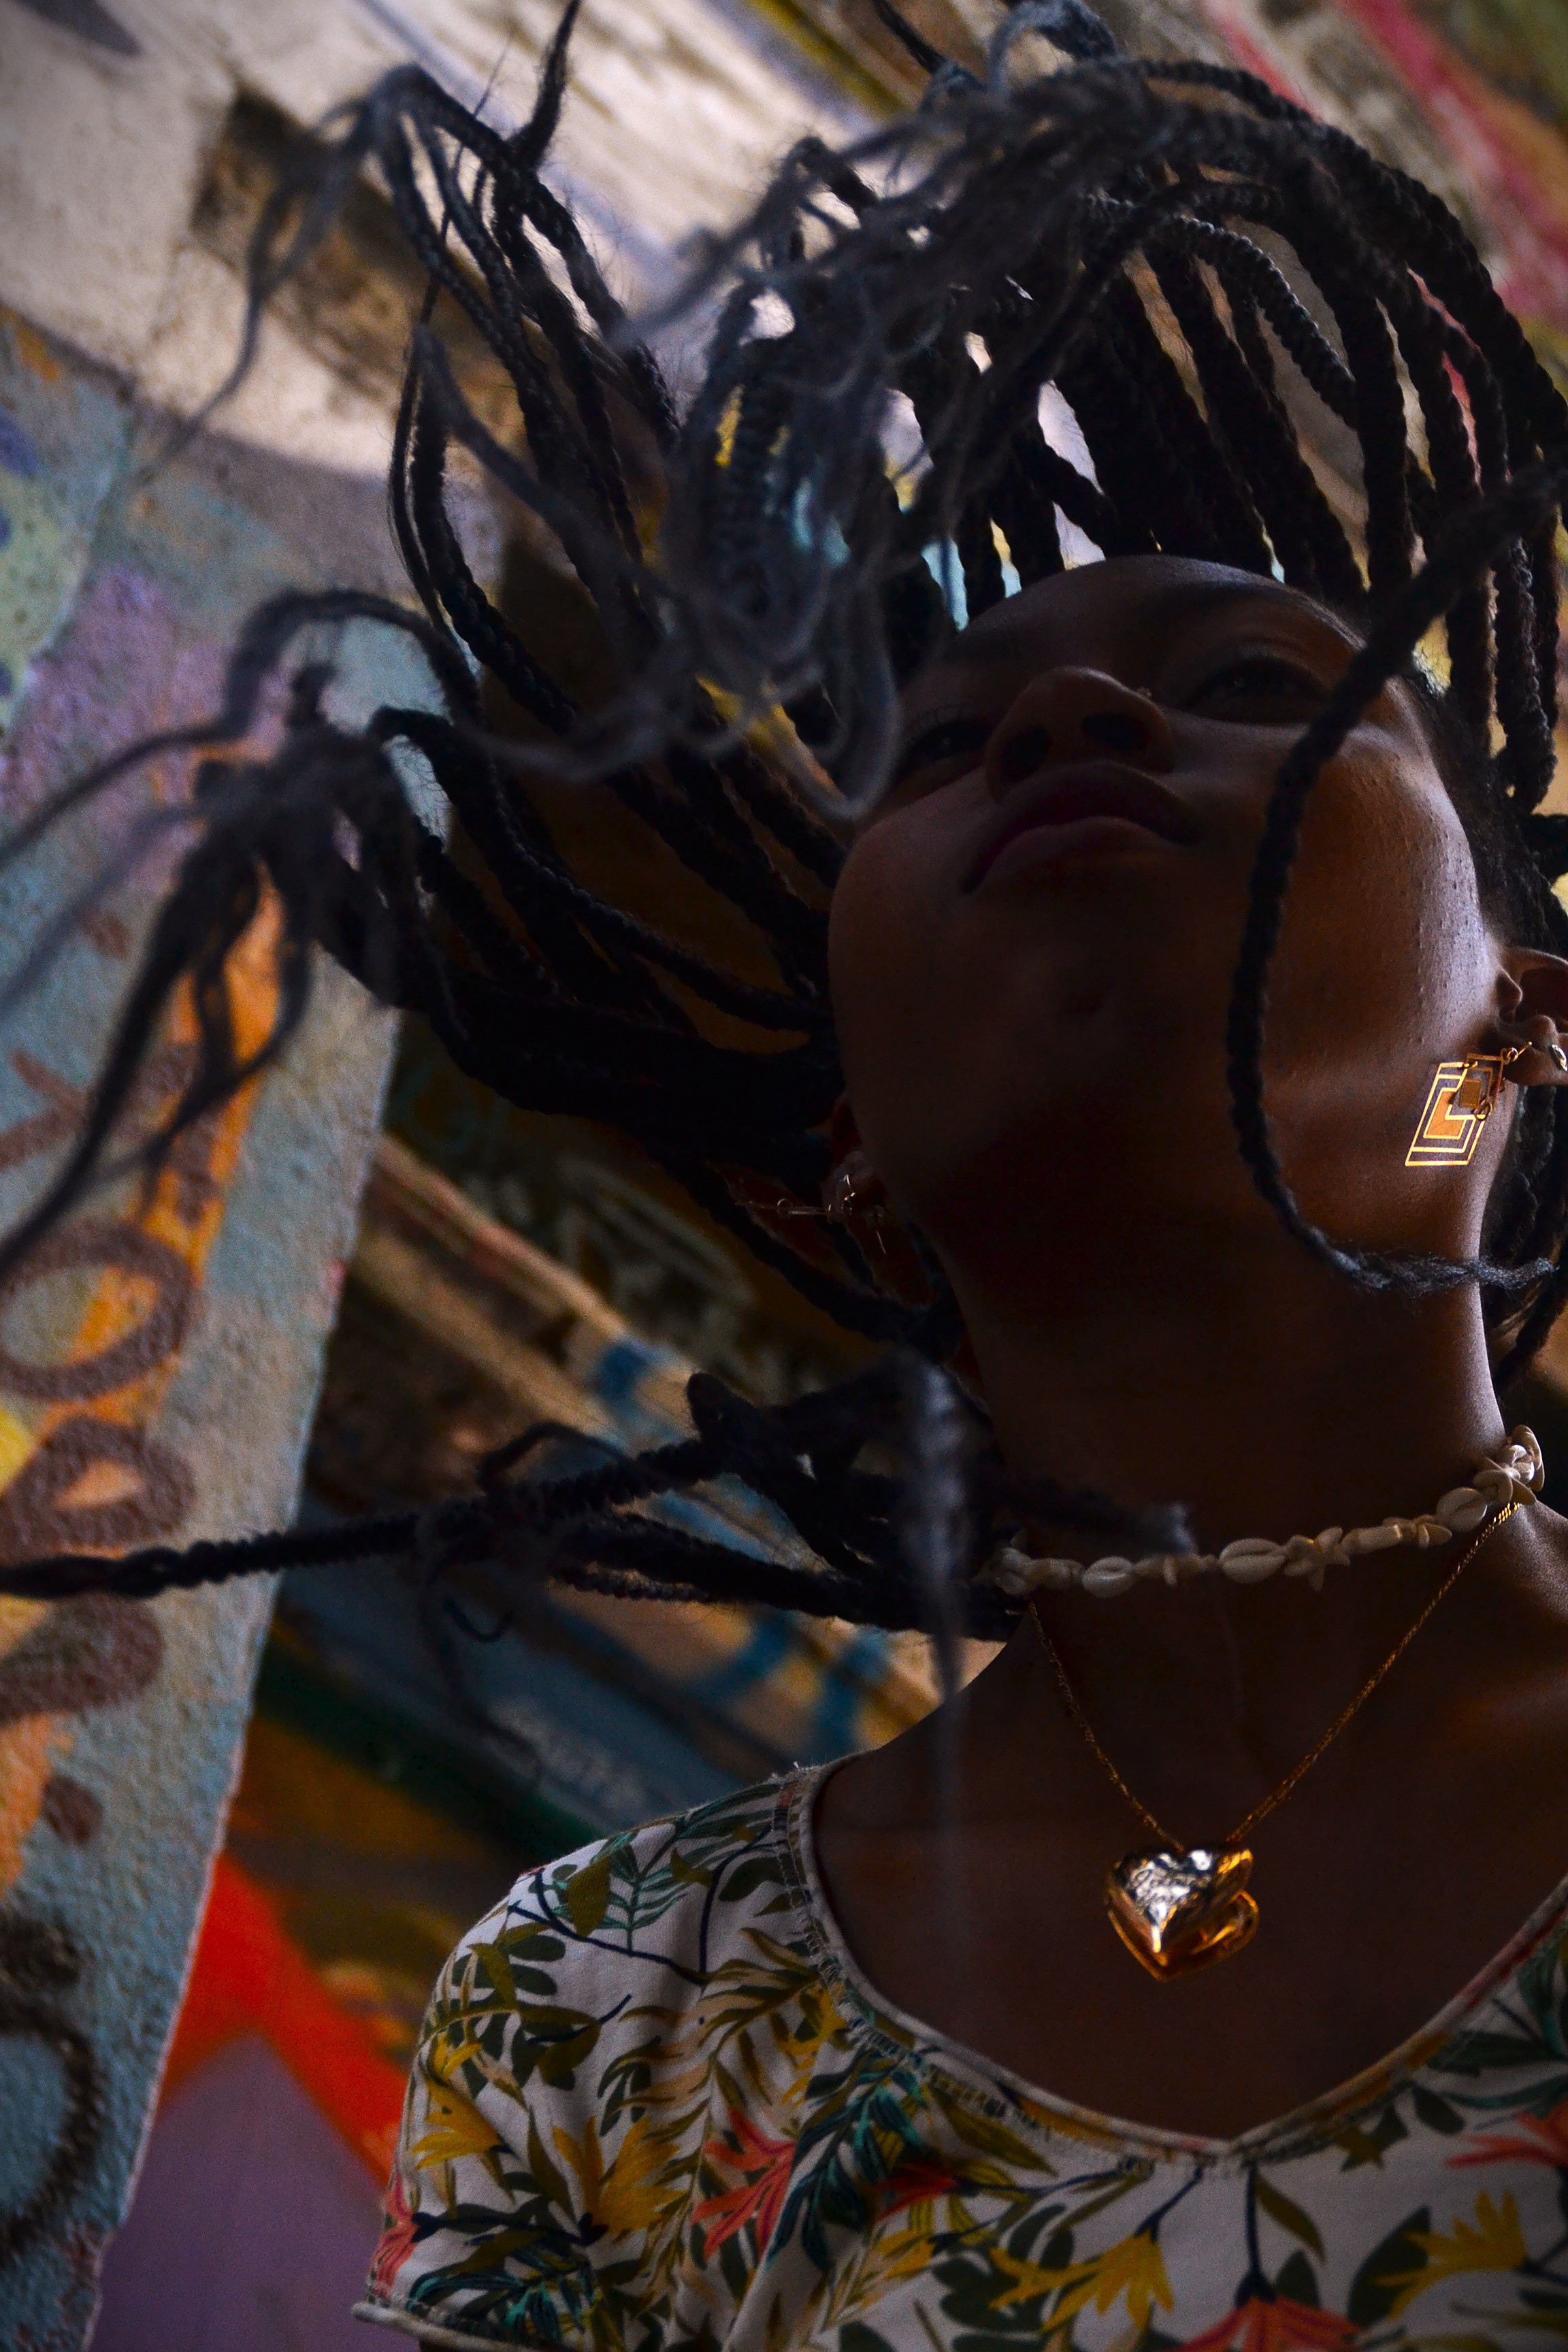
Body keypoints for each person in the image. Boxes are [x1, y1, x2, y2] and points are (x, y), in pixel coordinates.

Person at [10, 1, 1568, 2341]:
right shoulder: (616, 2006)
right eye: (943, 752)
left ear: (1518, 1034)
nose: (1071, 715)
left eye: (1257, 684)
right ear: (848, 1162)